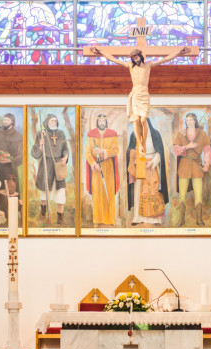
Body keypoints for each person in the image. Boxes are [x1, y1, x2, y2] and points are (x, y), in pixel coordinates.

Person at [92, 45, 191, 178]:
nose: (135, 58)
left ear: (140, 56)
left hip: (144, 96)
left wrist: (179, 52)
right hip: (135, 95)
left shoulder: (148, 65)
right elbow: (114, 59)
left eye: (136, 56)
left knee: (143, 120)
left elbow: (165, 59)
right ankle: (140, 142)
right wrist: (101, 51)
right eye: (133, 57)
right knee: (136, 120)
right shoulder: (130, 66)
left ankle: (142, 142)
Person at [172, 112, 211, 227]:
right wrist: (187, 146)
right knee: (182, 194)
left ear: (195, 121)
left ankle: (199, 220)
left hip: (196, 166)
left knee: (198, 194)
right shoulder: (181, 134)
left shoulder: (202, 134)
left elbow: (207, 150)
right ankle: (181, 220)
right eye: (187, 120)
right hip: (184, 166)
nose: (189, 122)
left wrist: (207, 163)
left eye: (191, 120)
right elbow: (176, 149)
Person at [126, 118, 168, 226]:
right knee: (139, 192)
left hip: (152, 165)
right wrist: (133, 154)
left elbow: (159, 152)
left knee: (154, 192)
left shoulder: (155, 134)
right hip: (140, 164)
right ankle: (138, 218)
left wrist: (152, 162)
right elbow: (130, 150)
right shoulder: (134, 135)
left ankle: (155, 219)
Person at [30, 113, 69, 224]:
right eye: (52, 120)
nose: (54, 122)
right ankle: (43, 212)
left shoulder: (61, 134)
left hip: (58, 167)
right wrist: (40, 145)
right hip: (46, 166)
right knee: (45, 192)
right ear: (47, 122)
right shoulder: (41, 134)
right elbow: (35, 154)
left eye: (55, 120)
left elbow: (65, 149)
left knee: (60, 192)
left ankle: (60, 217)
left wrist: (65, 157)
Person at [85, 113, 119, 226]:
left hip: (108, 166)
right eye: (100, 121)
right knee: (97, 193)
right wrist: (93, 163)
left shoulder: (112, 134)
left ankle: (110, 219)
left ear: (106, 122)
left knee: (109, 191)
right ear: (97, 122)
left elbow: (116, 150)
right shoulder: (91, 135)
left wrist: (104, 151)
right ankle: (97, 219)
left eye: (103, 121)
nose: (102, 123)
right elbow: (87, 152)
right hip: (96, 169)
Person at [0, 113, 23, 206]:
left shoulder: (18, 136)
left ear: (12, 122)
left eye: (7, 120)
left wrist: (10, 160)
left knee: (11, 192)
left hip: (10, 169)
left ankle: (11, 210)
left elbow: (21, 155)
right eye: (4, 120)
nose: (5, 121)